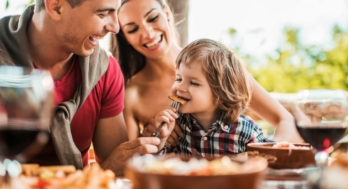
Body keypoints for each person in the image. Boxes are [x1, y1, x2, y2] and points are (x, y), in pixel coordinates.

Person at [0, 0, 161, 176]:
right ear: (56, 7)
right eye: (102, 14)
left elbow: (119, 169)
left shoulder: (105, 71)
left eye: (116, 12)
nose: (115, 28)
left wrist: (154, 142)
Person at [112, 0, 303, 146]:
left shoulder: (216, 65)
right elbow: (129, 162)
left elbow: (284, 120)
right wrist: (153, 137)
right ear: (126, 38)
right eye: (133, 29)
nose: (147, 33)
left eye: (153, 18)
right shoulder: (132, 94)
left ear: (167, 13)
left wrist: (270, 157)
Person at [146, 38, 274, 155]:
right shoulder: (176, 127)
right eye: (179, 79)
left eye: (194, 83)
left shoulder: (244, 129)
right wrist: (161, 139)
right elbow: (154, 167)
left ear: (220, 94)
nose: (180, 87)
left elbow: (269, 157)